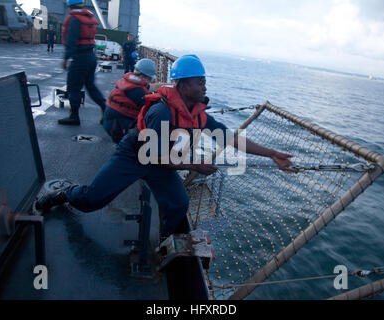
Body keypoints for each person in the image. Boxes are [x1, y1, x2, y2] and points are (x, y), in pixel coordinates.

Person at [35, 55, 294, 238]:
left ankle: (166, 242)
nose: (205, 85)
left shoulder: (199, 114)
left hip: (162, 160)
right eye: (199, 81)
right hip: (135, 156)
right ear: (182, 85)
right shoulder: (161, 112)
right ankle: (65, 194)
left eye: (204, 80)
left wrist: (272, 154)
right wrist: (195, 165)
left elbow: (231, 138)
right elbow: (154, 157)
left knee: (179, 204)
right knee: (91, 200)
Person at [59, 0, 107, 126]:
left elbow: (72, 41)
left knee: (73, 86)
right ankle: (105, 108)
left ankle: (74, 116)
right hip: (91, 56)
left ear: (70, 5)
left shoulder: (74, 19)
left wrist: (65, 58)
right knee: (90, 86)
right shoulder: (89, 17)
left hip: (80, 58)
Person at [103, 58, 166, 144]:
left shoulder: (131, 82)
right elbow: (150, 112)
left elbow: (151, 87)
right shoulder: (137, 92)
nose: (150, 81)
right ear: (143, 76)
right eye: (150, 79)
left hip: (110, 121)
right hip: (117, 127)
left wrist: (170, 86)